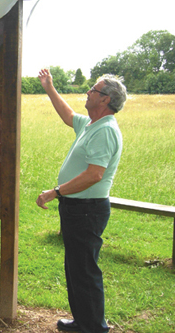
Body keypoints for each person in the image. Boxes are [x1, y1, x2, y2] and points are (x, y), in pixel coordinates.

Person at [36, 69, 127, 333]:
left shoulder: (105, 130)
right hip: (78, 209)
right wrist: (49, 87)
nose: (87, 92)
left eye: (93, 90)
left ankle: (94, 327)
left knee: (85, 270)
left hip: (87, 210)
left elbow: (94, 174)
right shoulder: (91, 124)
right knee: (77, 268)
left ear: (105, 100)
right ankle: (83, 322)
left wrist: (56, 192)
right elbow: (67, 115)